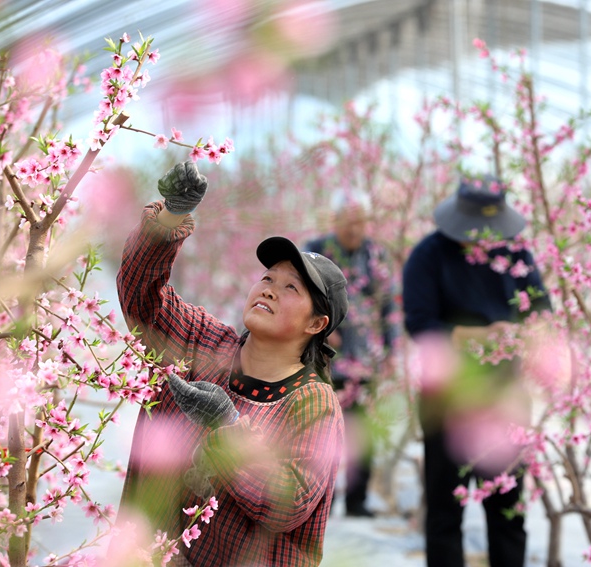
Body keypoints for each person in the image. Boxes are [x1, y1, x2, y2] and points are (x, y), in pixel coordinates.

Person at [115, 161, 348, 566]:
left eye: (291, 287)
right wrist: (171, 214)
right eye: (268, 278)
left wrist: (226, 429)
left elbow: (288, 504)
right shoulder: (202, 343)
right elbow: (143, 300)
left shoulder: (315, 405)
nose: (270, 290)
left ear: (316, 323)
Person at [402, 174, 551, 567]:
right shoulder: (428, 256)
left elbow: (540, 310)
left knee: (508, 513)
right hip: (447, 396)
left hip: (506, 396)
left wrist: (525, 334)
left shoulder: (515, 254)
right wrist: (481, 336)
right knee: (445, 512)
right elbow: (420, 325)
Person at [303, 189, 399, 518]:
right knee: (318, 431)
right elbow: (301, 295)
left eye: (359, 222)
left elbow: (390, 306)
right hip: (323, 359)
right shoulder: (316, 251)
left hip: (366, 361)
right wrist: (325, 329)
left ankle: (357, 501)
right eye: (347, 222)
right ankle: (318, 500)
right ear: (335, 221)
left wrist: (391, 350)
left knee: (361, 434)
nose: (353, 229)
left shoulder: (377, 256)